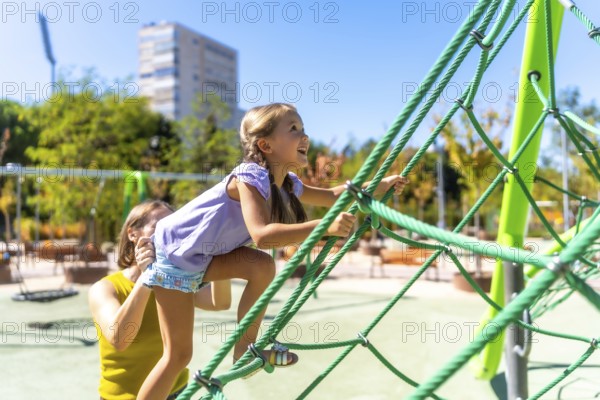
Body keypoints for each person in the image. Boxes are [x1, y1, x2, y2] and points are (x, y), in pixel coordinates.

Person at [138, 103, 409, 399]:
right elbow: (262, 235)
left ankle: (244, 349)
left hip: (200, 256)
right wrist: (324, 227)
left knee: (262, 266)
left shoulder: (286, 183)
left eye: (303, 128)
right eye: (293, 129)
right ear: (265, 145)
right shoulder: (249, 176)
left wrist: (378, 186)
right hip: (174, 255)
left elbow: (333, 195)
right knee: (178, 357)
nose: (304, 135)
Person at [88, 200, 233, 400]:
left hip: (176, 392)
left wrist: (219, 253)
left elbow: (220, 302)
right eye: (159, 227)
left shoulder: (176, 281)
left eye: (173, 227)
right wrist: (147, 277)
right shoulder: (105, 288)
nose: (168, 234)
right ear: (132, 233)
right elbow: (120, 339)